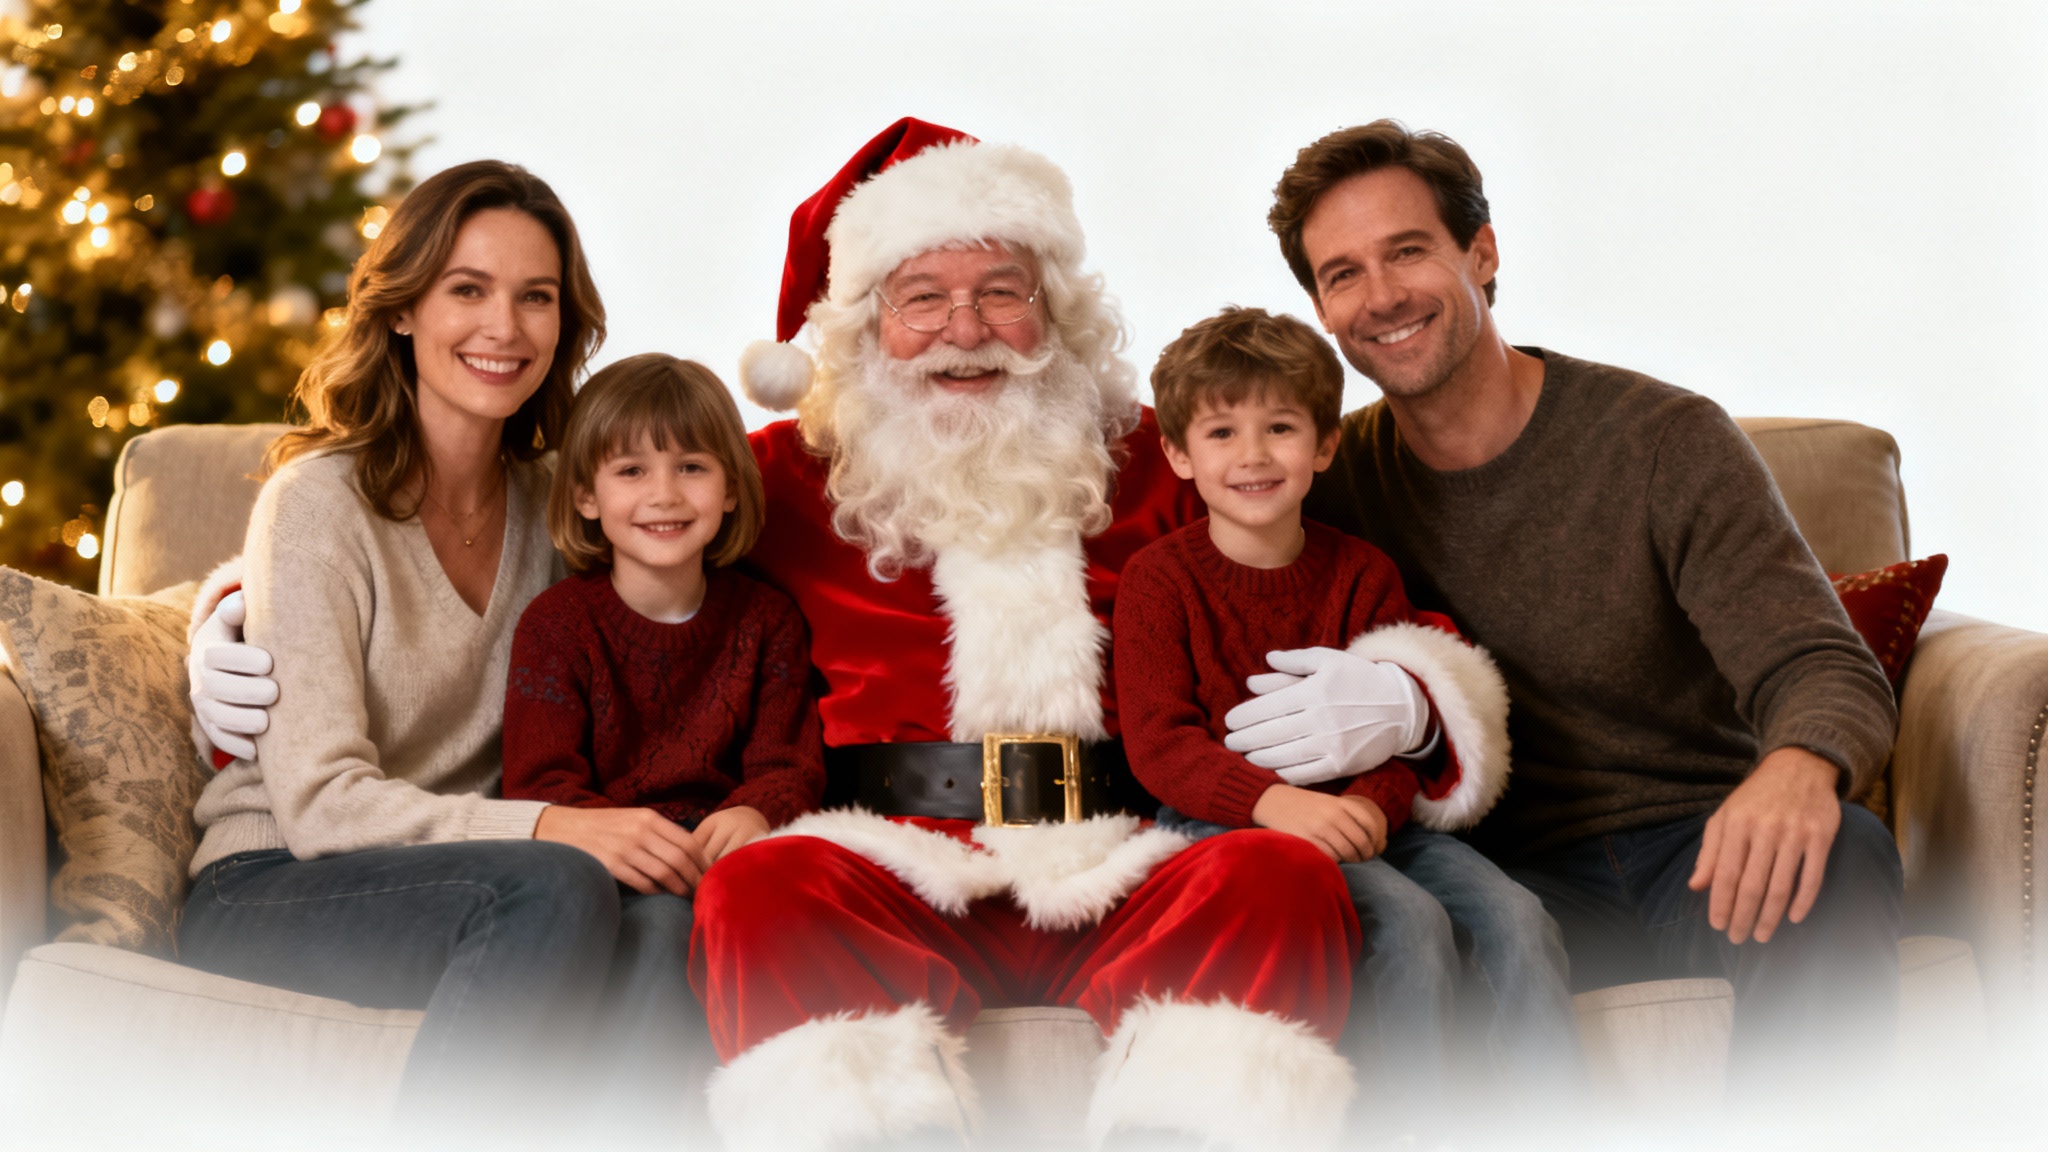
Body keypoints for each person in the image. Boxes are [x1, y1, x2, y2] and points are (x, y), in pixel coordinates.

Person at [688, 119, 1454, 1151]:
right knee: (758, 888)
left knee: (1276, 878)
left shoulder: (1163, 456)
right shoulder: (774, 477)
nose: (967, 327)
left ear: (1053, 307)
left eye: (1002, 290)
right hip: (892, 865)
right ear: (864, 324)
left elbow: (1333, 584)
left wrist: (1408, 693)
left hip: (1126, 858)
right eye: (922, 297)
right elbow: (644, 591)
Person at [1253, 120, 1904, 1094]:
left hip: (1700, 847)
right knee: (1378, 921)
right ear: (1319, 307)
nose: (1380, 296)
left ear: (1481, 252)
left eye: (1408, 251)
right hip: (1506, 881)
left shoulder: (1662, 440)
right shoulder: (1323, 487)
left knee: (1844, 851)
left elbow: (1817, 660)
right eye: (1342, 274)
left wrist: (1797, 766)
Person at [173, 161, 708, 1145]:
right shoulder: (317, 503)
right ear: (403, 309)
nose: (504, 327)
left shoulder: (566, 506)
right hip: (273, 882)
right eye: (467, 289)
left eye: (535, 297)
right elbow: (321, 805)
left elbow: (698, 585)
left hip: (491, 875)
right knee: (557, 883)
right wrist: (550, 828)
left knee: (670, 920)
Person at [1114, 304, 1578, 1110]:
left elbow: (1397, 727)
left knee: (1519, 914)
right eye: (1222, 433)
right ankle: (1412, 1129)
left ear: (1325, 444)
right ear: (1180, 454)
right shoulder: (1158, 581)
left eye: (1281, 428)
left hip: (1369, 818)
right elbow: (1161, 746)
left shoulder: (1363, 572)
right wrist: (1277, 804)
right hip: (1228, 828)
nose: (1254, 455)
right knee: (1408, 921)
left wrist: (1369, 807)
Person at [503, 352, 824, 869]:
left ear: (731, 489)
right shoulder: (556, 626)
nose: (664, 495)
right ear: (586, 496)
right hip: (608, 868)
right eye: (631, 471)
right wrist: (629, 844)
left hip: (731, 863)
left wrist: (756, 812)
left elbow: (789, 768)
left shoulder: (767, 620)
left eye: (691, 467)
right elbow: (539, 786)